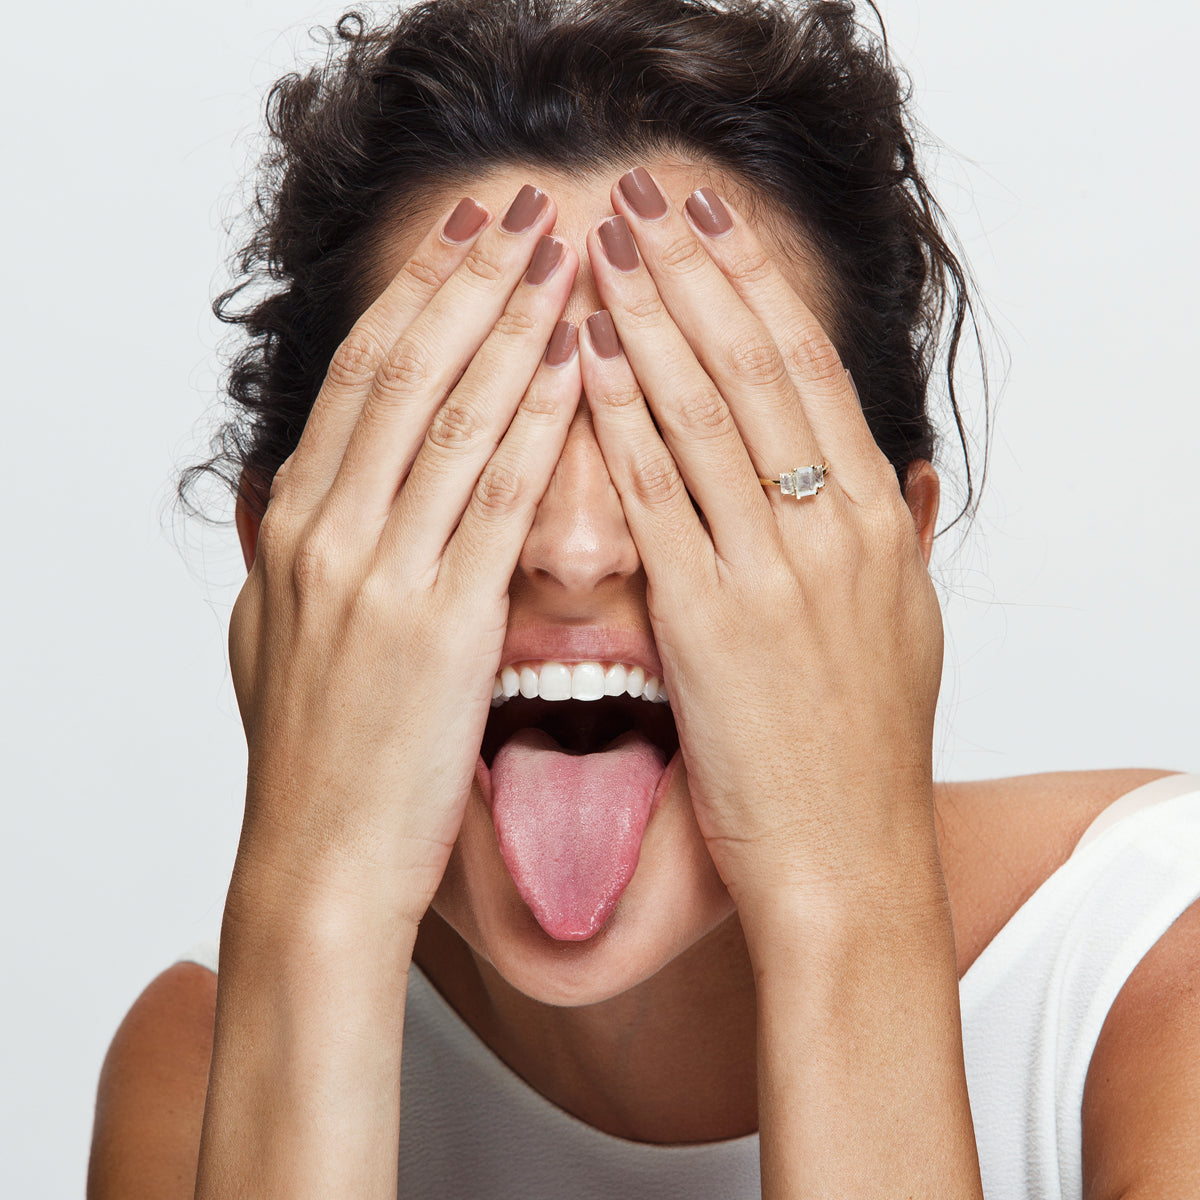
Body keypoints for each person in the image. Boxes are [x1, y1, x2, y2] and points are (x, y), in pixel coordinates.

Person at [87, 0, 1200, 1196]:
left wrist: (845, 903)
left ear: (894, 548)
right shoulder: (203, 1065)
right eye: (473, 433)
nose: (573, 549)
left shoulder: (1153, 974)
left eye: (687, 427)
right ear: (283, 553)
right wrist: (320, 912)